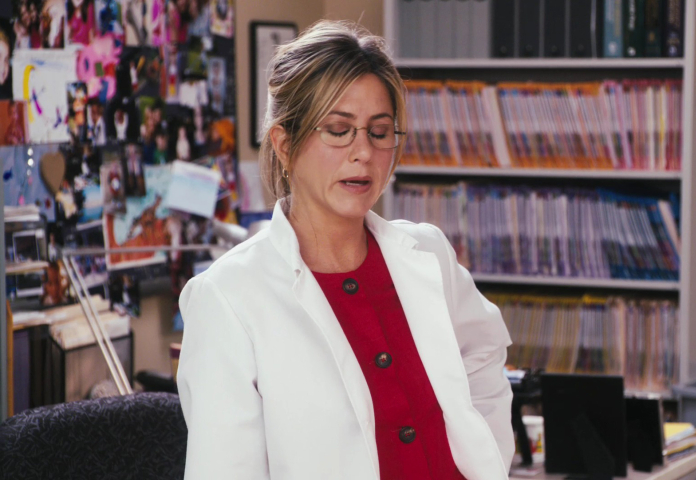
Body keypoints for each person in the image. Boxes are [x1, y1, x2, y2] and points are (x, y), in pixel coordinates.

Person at [176, 20, 514, 480]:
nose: (364, 152)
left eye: (380, 131)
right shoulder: (227, 297)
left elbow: (485, 359)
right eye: (338, 130)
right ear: (284, 144)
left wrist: (487, 459)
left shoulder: (428, 253)